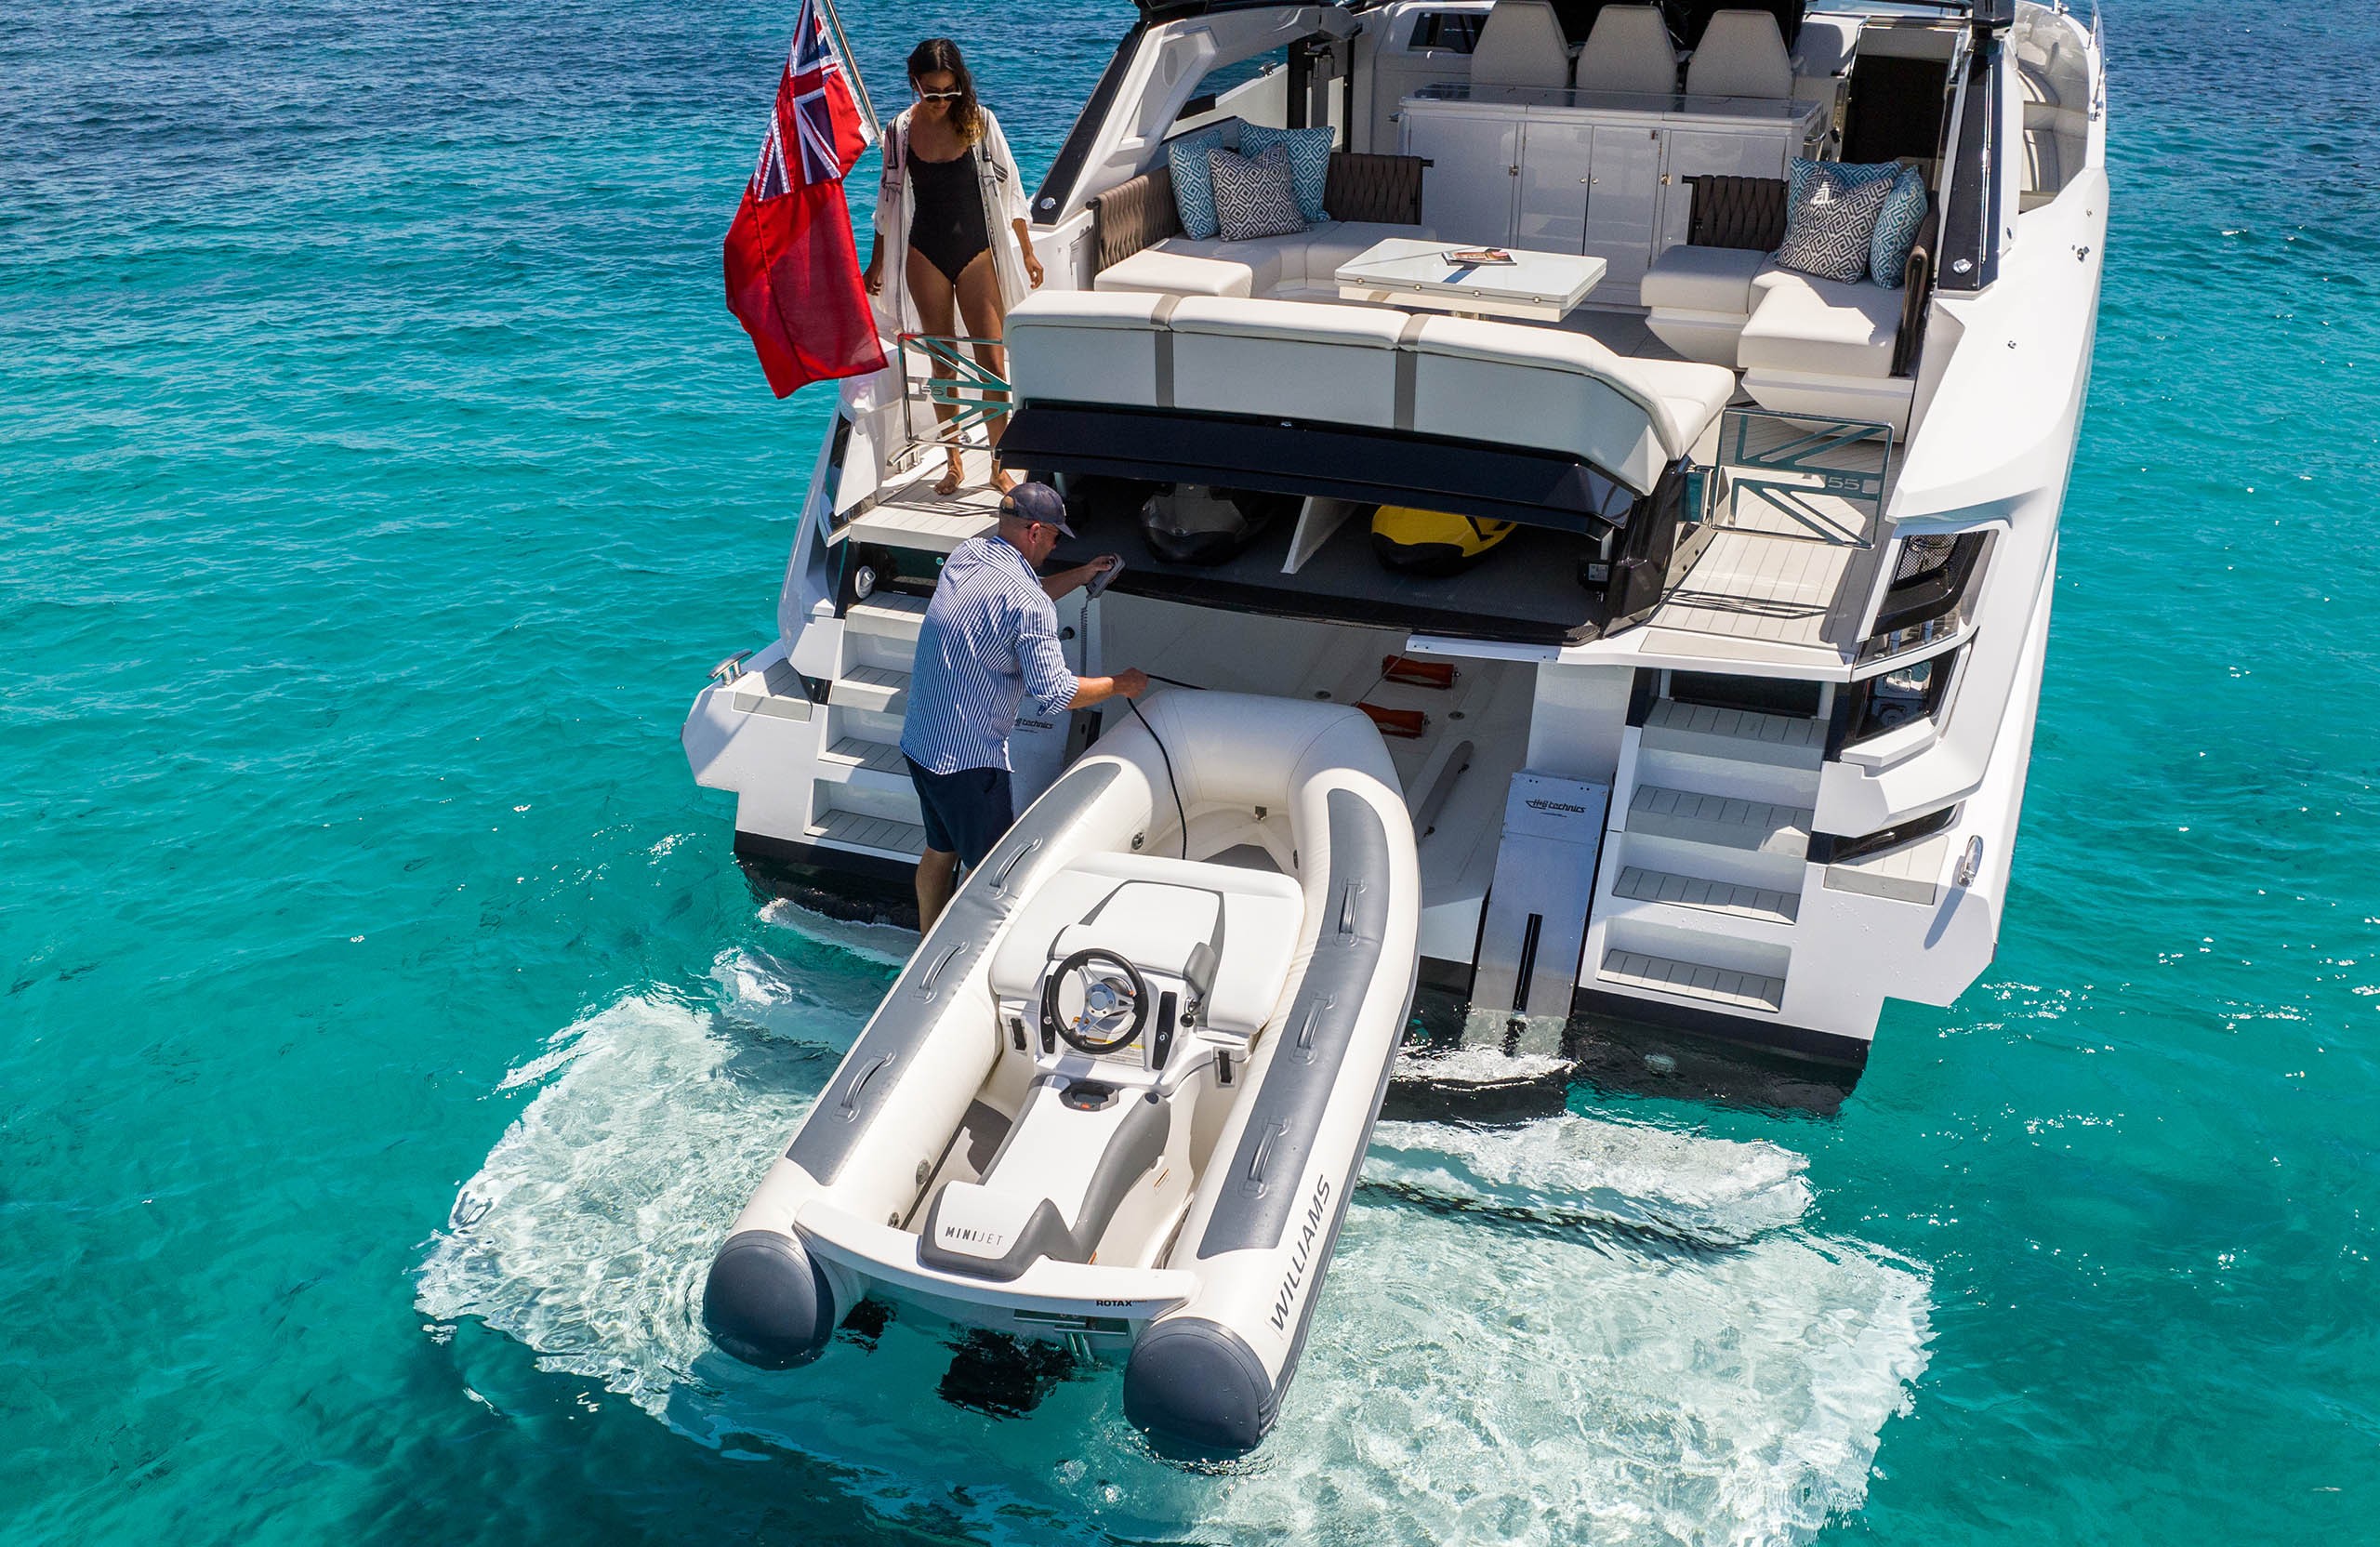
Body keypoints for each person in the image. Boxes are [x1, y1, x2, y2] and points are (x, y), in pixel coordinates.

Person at [900, 483, 1148, 928]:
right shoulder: (1028, 604)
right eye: (1054, 538)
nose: (1055, 547)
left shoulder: (968, 555)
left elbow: (1019, 594)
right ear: (1035, 532)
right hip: (968, 764)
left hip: (921, 743)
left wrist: (1082, 574)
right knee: (987, 876)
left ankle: (925, 941)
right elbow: (1057, 693)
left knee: (940, 851)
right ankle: (961, 957)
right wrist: (1119, 684)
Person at [862, 38, 1042, 498]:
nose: (942, 102)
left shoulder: (980, 122)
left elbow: (1011, 188)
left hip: (977, 251)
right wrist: (876, 264)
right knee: (943, 364)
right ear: (915, 84)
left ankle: (999, 465)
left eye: (949, 92)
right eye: (932, 93)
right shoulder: (899, 131)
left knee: (992, 363)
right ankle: (954, 461)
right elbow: (887, 202)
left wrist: (1026, 251)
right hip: (925, 253)